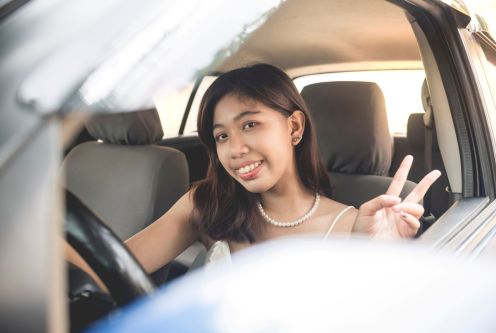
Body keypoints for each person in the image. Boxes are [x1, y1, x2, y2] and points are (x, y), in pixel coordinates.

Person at [66, 64, 441, 285]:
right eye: (222, 135)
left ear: (294, 128)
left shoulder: (359, 225)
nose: (234, 149)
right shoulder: (205, 204)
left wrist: (387, 257)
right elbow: (108, 268)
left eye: (250, 125)